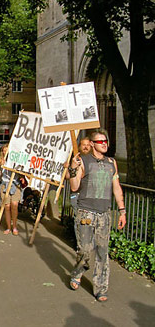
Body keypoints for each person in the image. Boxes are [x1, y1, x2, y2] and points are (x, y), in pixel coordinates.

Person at [68, 129, 126, 302]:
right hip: (86, 212)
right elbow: (74, 187)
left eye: (105, 141)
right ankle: (78, 272)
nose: (104, 144)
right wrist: (72, 168)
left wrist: (122, 210)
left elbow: (116, 187)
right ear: (92, 144)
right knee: (85, 250)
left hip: (104, 214)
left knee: (102, 251)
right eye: (100, 141)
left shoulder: (111, 163)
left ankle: (101, 288)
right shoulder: (83, 161)